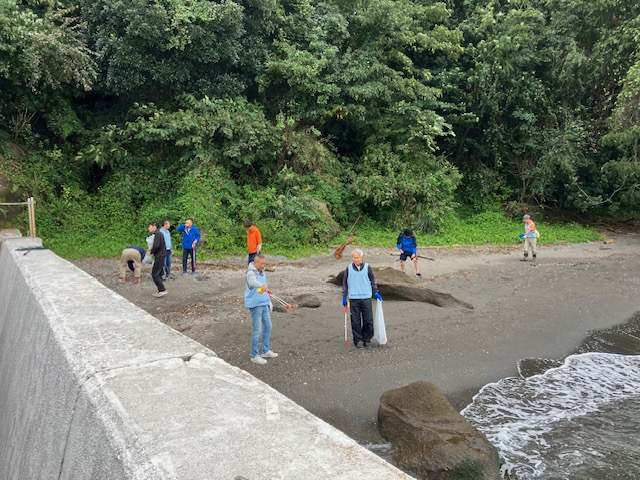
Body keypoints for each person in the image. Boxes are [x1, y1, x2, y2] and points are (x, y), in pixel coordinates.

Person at [341, 248, 382, 349]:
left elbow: (372, 280)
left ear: (362, 257)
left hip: (366, 297)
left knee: (368, 320)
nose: (356, 260)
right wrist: (344, 297)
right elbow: (345, 283)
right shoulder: (348, 268)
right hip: (354, 297)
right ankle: (358, 340)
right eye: (354, 258)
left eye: (357, 258)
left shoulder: (367, 267)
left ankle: (367, 339)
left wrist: (375, 292)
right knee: (355, 320)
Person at [244, 253, 278, 365]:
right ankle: (254, 355)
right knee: (257, 330)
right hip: (255, 305)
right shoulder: (250, 273)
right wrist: (261, 285)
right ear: (256, 262)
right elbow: (253, 282)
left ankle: (265, 350)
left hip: (264, 303)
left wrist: (269, 302)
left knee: (268, 326)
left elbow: (266, 288)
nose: (264, 266)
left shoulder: (262, 272)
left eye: (265, 264)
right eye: (262, 264)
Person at [147, 222, 168, 297]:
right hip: (161, 255)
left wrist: (151, 251)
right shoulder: (158, 234)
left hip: (160, 256)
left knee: (154, 274)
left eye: (149, 226)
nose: (148, 228)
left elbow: (156, 245)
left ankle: (162, 289)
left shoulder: (158, 234)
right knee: (158, 273)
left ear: (154, 226)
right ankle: (160, 290)